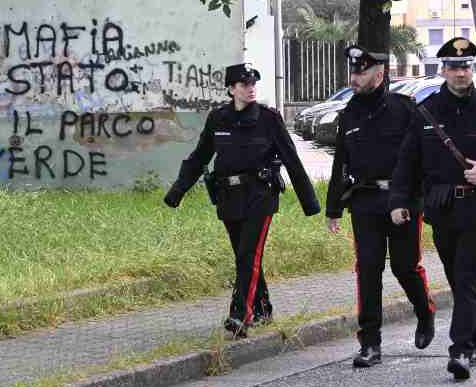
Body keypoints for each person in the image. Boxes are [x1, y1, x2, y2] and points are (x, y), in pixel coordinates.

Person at [389, 37, 476, 380]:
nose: (460, 72)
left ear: (472, 68)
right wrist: (398, 201)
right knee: (456, 275)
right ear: (443, 70)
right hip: (442, 206)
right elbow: (408, 161)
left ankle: (461, 350)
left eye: (465, 66)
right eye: (453, 67)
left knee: (466, 271)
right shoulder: (427, 111)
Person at [163, 63, 320, 338]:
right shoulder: (218, 119)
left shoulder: (269, 119)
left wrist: (311, 204)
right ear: (231, 89)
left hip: (260, 195)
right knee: (244, 256)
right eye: (244, 84)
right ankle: (262, 308)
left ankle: (240, 315)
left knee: (248, 253)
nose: (250, 89)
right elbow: (200, 157)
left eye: (252, 84)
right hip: (228, 197)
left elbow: (292, 160)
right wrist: (178, 191)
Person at [325, 45, 436, 368]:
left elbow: (422, 159)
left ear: (380, 73)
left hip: (400, 201)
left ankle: (424, 311)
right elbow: (340, 163)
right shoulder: (349, 114)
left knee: (404, 266)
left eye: (361, 72)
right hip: (365, 201)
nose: (355, 78)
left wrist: (418, 200)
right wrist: (333, 208)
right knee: (368, 269)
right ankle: (370, 343)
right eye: (353, 72)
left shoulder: (404, 109)